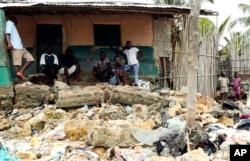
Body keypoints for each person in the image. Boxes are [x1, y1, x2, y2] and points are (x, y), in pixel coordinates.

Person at [5, 15, 34, 83]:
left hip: (21, 47)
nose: (17, 22)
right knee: (16, 65)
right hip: (16, 48)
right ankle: (21, 82)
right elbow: (7, 34)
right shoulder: (9, 23)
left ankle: (20, 72)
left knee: (31, 59)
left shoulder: (13, 26)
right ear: (13, 19)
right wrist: (9, 43)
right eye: (16, 20)